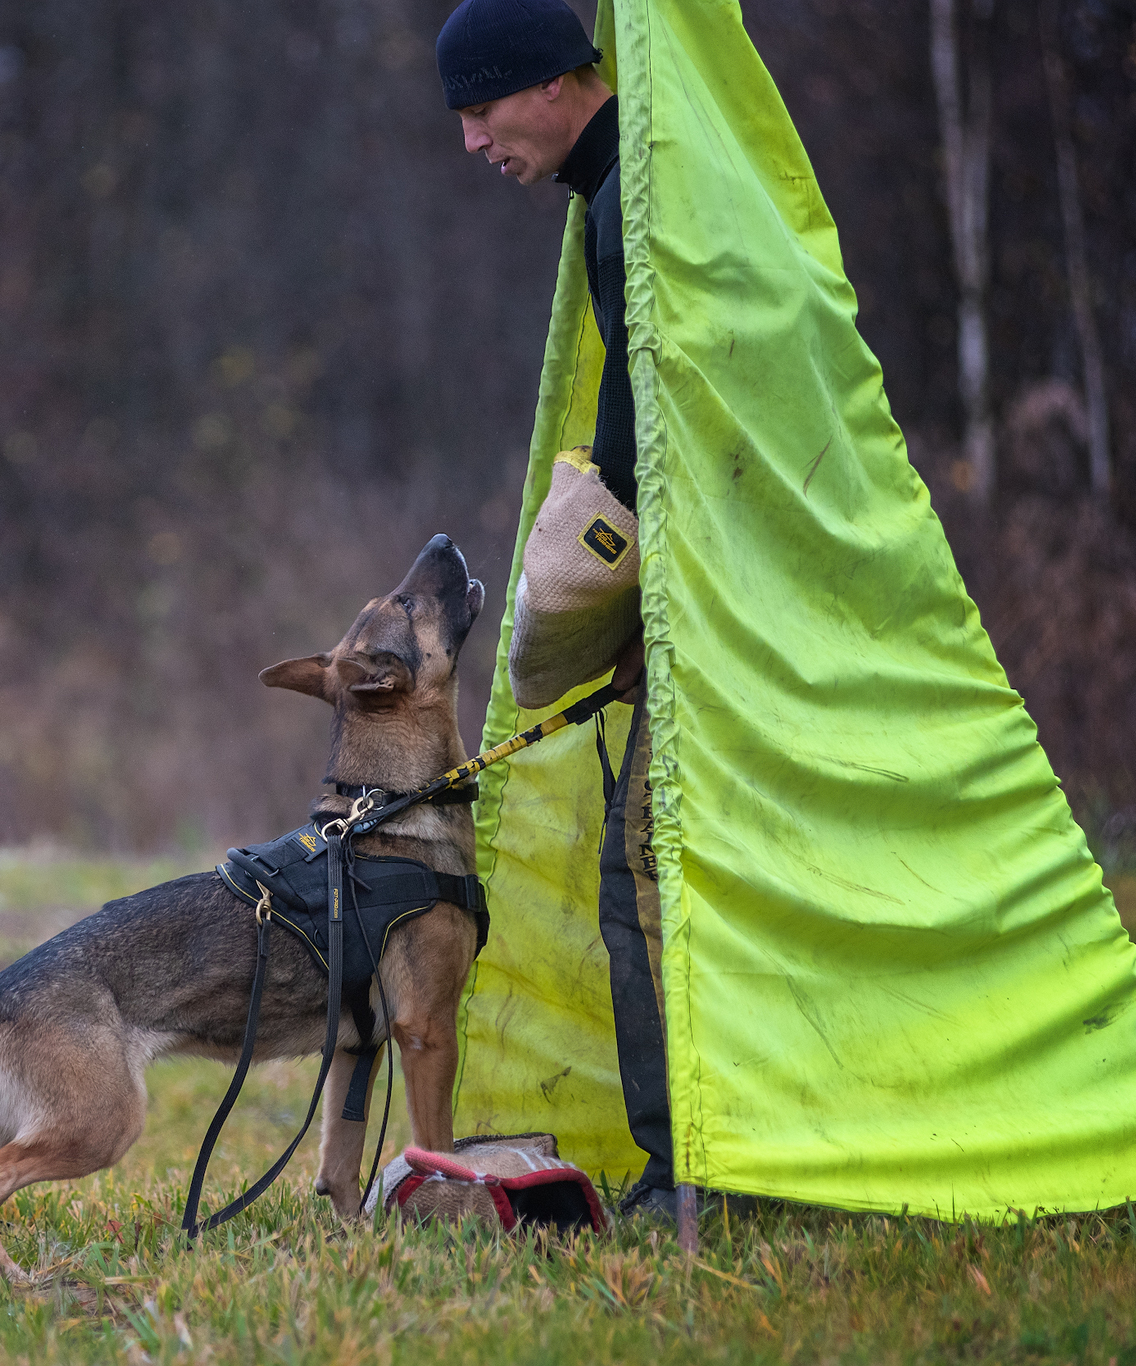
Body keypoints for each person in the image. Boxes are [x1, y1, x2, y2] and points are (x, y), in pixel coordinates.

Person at [436, 0, 677, 1221]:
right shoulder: (622, 187)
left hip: (691, 606)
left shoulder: (630, 197)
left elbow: (652, 424)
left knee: (640, 884)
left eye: (477, 112)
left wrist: (623, 603)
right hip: (688, 602)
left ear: (542, 83)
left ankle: (688, 1180)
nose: (472, 144)